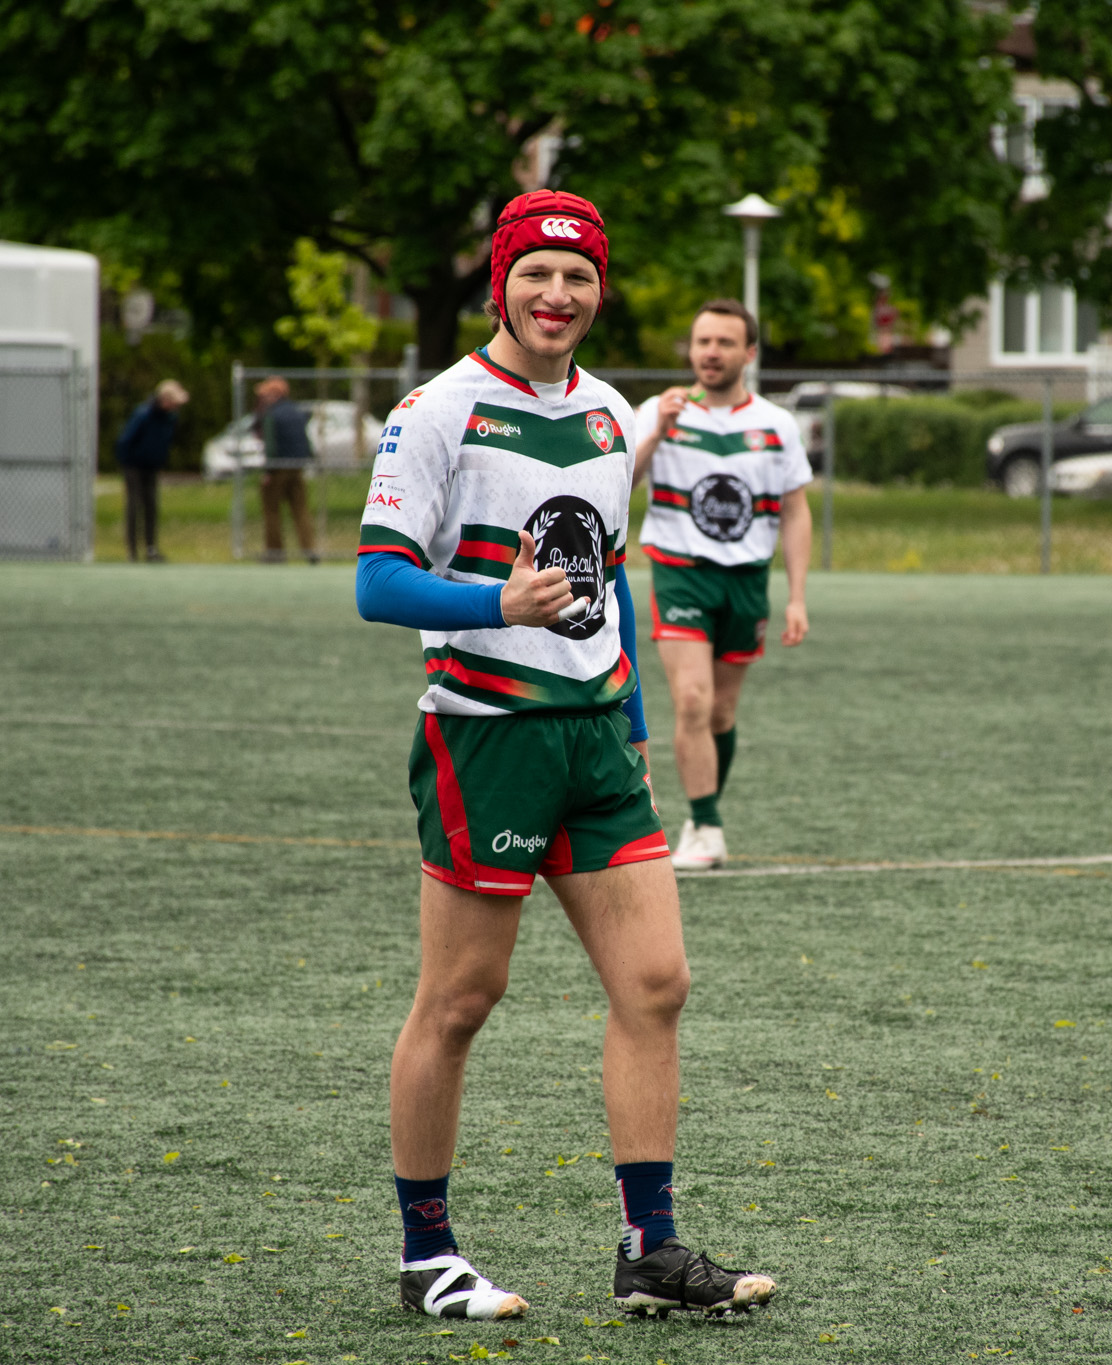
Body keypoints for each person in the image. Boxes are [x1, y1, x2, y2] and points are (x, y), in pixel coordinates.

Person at [354, 189, 778, 1322]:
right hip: (486, 738)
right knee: (459, 999)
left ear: (599, 291)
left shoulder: (605, 415)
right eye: (536, 275)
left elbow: (609, 586)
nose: (556, 295)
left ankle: (650, 1248)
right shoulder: (436, 410)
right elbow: (375, 580)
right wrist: (494, 597)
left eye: (578, 277)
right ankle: (425, 1257)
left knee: (656, 984)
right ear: (501, 282)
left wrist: (630, 727)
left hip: (595, 739)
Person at [633, 301, 813, 871]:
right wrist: (658, 430)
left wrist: (798, 596)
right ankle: (707, 827)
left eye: (725, 343)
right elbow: (621, 481)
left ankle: (700, 816)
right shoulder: (659, 411)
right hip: (680, 572)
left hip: (747, 581)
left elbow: (795, 511)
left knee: (721, 713)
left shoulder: (777, 425)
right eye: (702, 341)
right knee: (692, 699)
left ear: (749, 354)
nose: (711, 352)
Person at [114, 379, 188, 562]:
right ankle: (132, 552)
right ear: (165, 399)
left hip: (152, 467)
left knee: (151, 507)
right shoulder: (143, 414)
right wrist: (127, 462)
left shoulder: (170, 418)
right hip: (134, 466)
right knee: (133, 506)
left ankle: (151, 549)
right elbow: (126, 440)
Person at [254, 374, 320, 564]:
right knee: (300, 510)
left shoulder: (271, 414)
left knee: (271, 510)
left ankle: (275, 553)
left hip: (278, 468)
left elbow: (271, 446)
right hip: (297, 467)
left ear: (274, 394)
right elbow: (305, 441)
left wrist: (267, 471)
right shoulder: (297, 411)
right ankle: (310, 551)